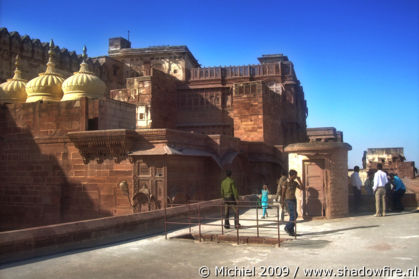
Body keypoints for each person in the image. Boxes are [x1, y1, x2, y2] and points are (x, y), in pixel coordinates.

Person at [281, 169, 304, 236]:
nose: (296, 176)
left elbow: (302, 188)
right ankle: (287, 227)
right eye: (295, 175)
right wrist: (282, 202)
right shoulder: (285, 182)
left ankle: (291, 231)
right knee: (294, 215)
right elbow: (283, 193)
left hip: (294, 200)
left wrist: (299, 180)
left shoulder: (295, 183)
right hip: (288, 200)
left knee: (293, 215)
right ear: (292, 175)